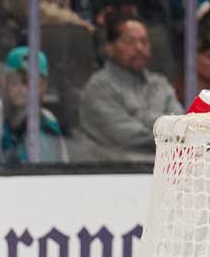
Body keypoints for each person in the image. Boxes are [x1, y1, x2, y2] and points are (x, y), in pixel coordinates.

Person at [78, 11, 181, 161]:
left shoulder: (160, 85)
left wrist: (141, 119)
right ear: (109, 47)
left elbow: (181, 129)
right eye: (130, 42)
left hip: (164, 174)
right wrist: (165, 131)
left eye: (144, 42)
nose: (139, 48)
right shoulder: (98, 88)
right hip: (113, 176)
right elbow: (125, 137)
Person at [0, 47, 69, 164]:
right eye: (15, 82)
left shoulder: (49, 121)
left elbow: (61, 168)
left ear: (44, 86)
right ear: (4, 82)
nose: (23, 90)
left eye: (31, 83)